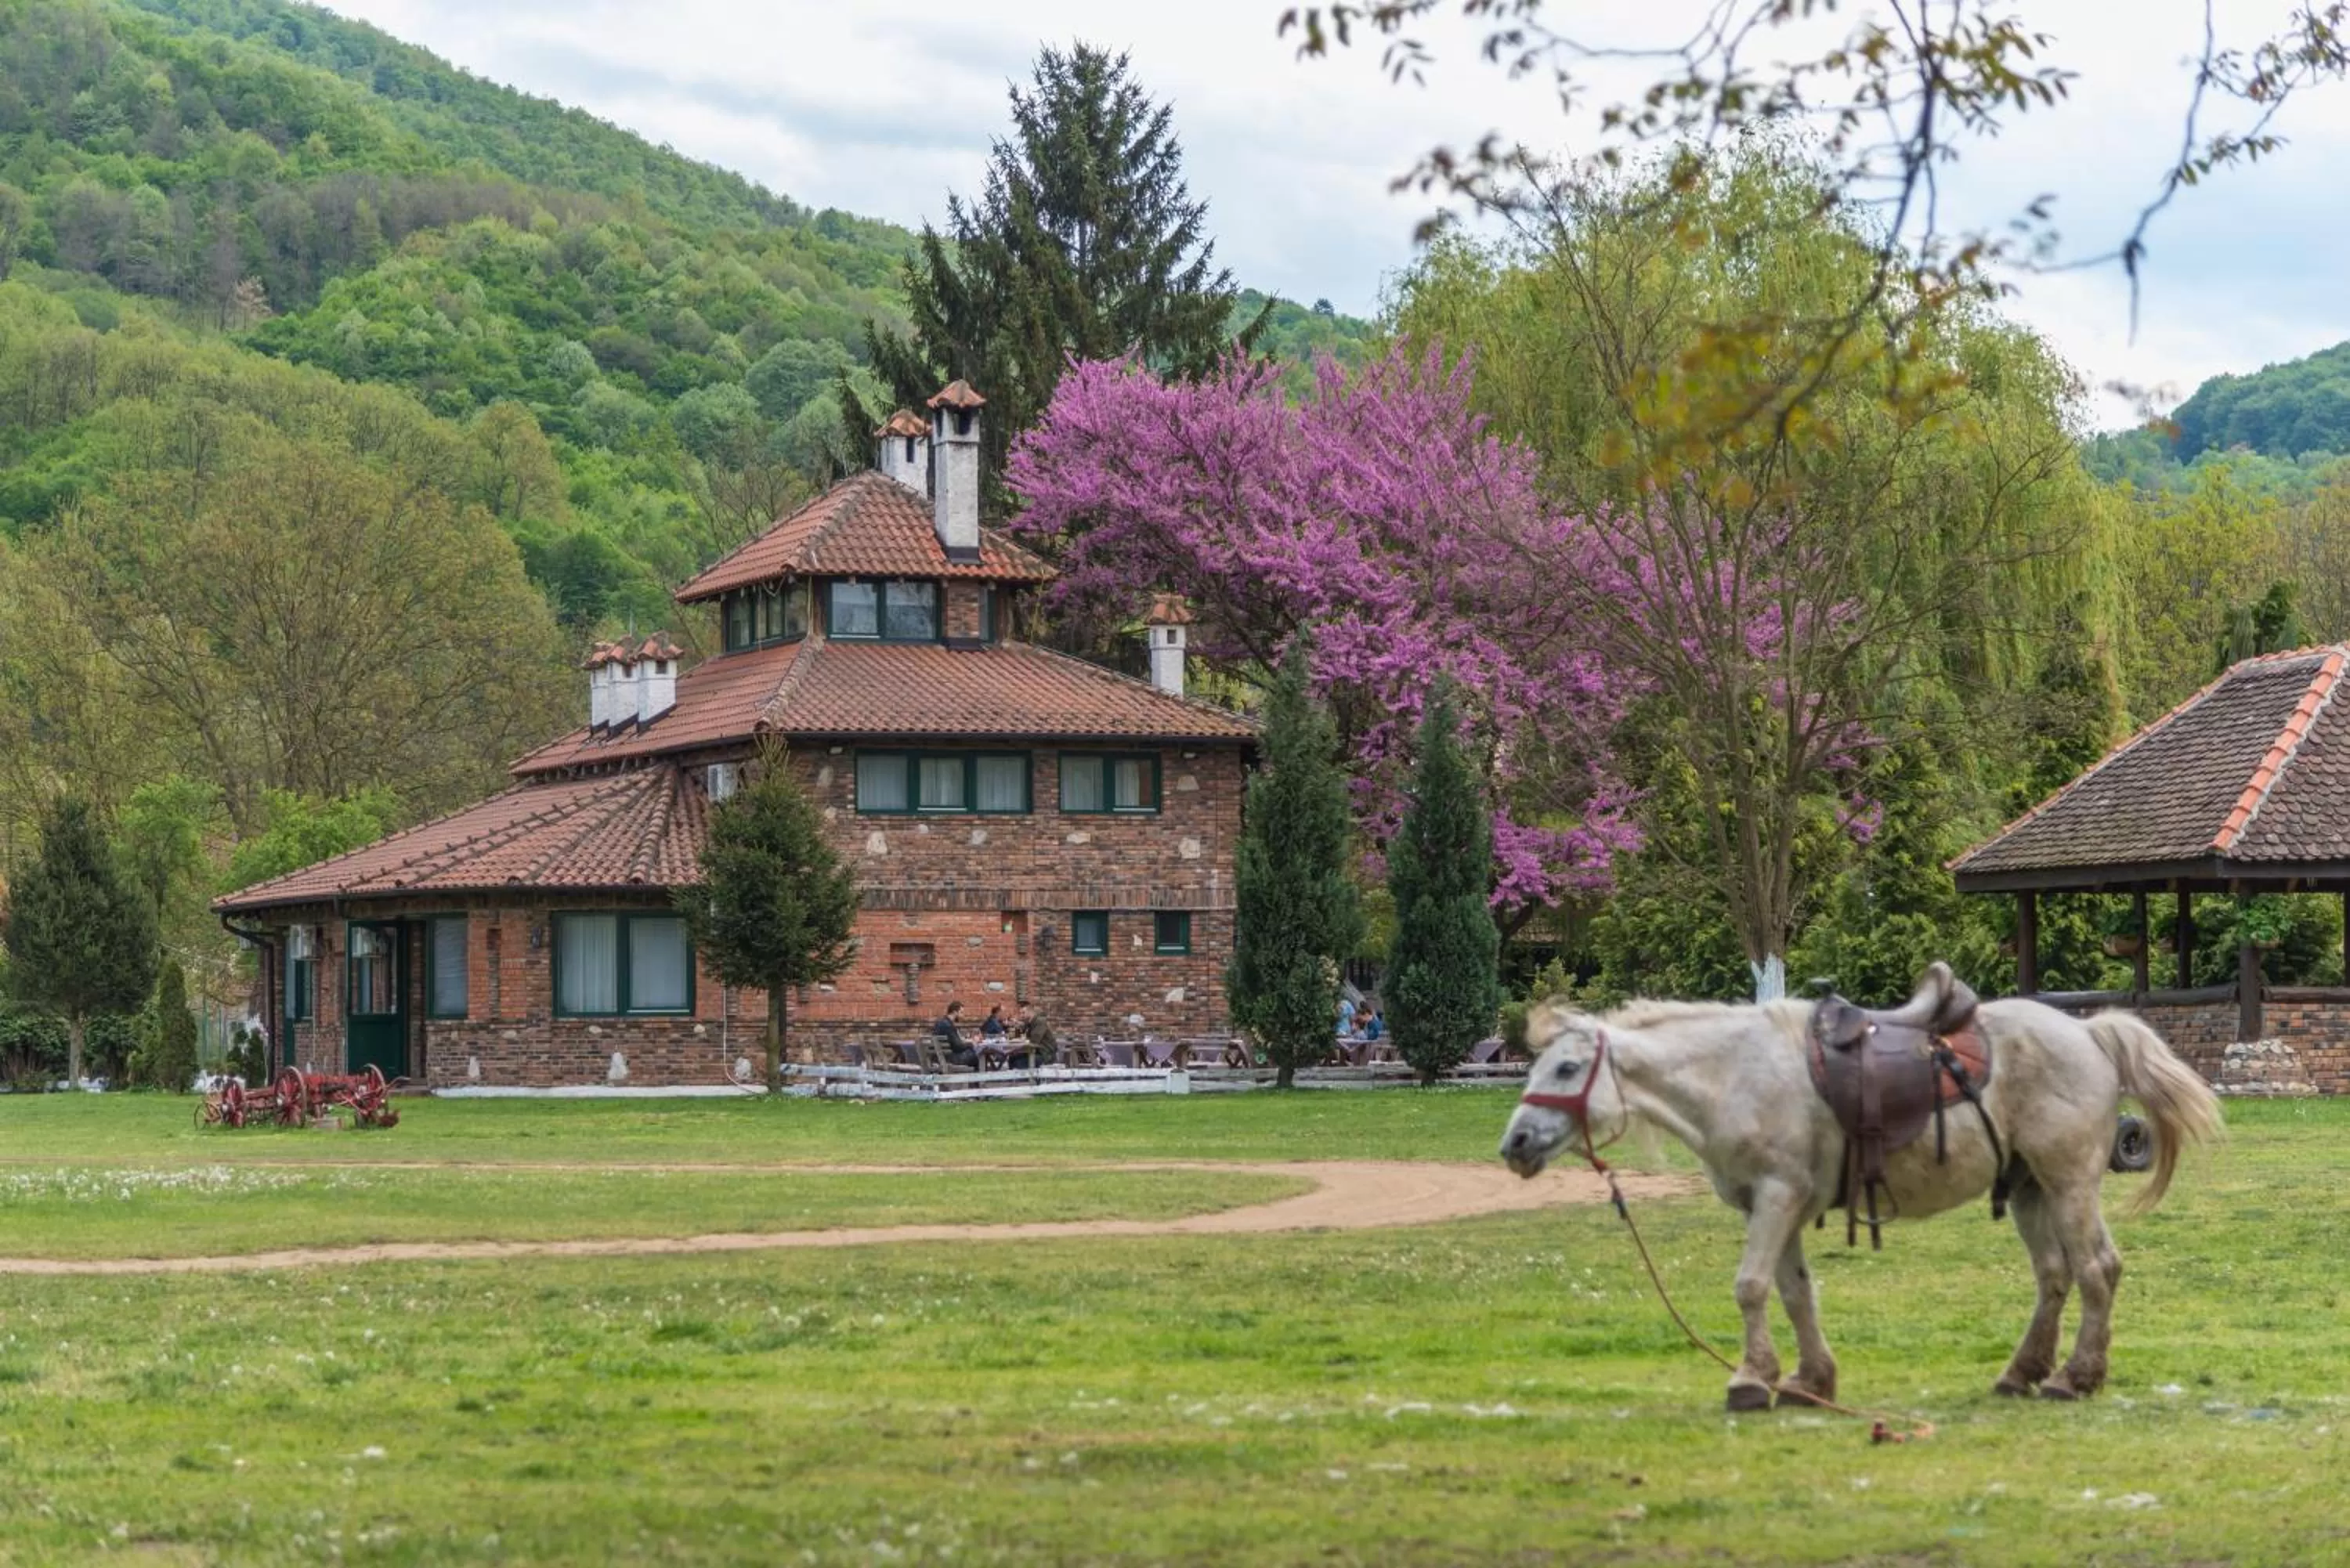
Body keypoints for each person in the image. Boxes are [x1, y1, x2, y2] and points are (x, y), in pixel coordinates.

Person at [931, 1000, 978, 1068]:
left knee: (974, 1052)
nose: (963, 1015)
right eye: (961, 1013)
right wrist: (971, 1044)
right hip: (949, 1060)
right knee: (978, 1055)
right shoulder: (948, 1026)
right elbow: (958, 1047)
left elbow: (955, 1042)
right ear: (955, 1012)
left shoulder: (941, 1022)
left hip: (939, 1058)